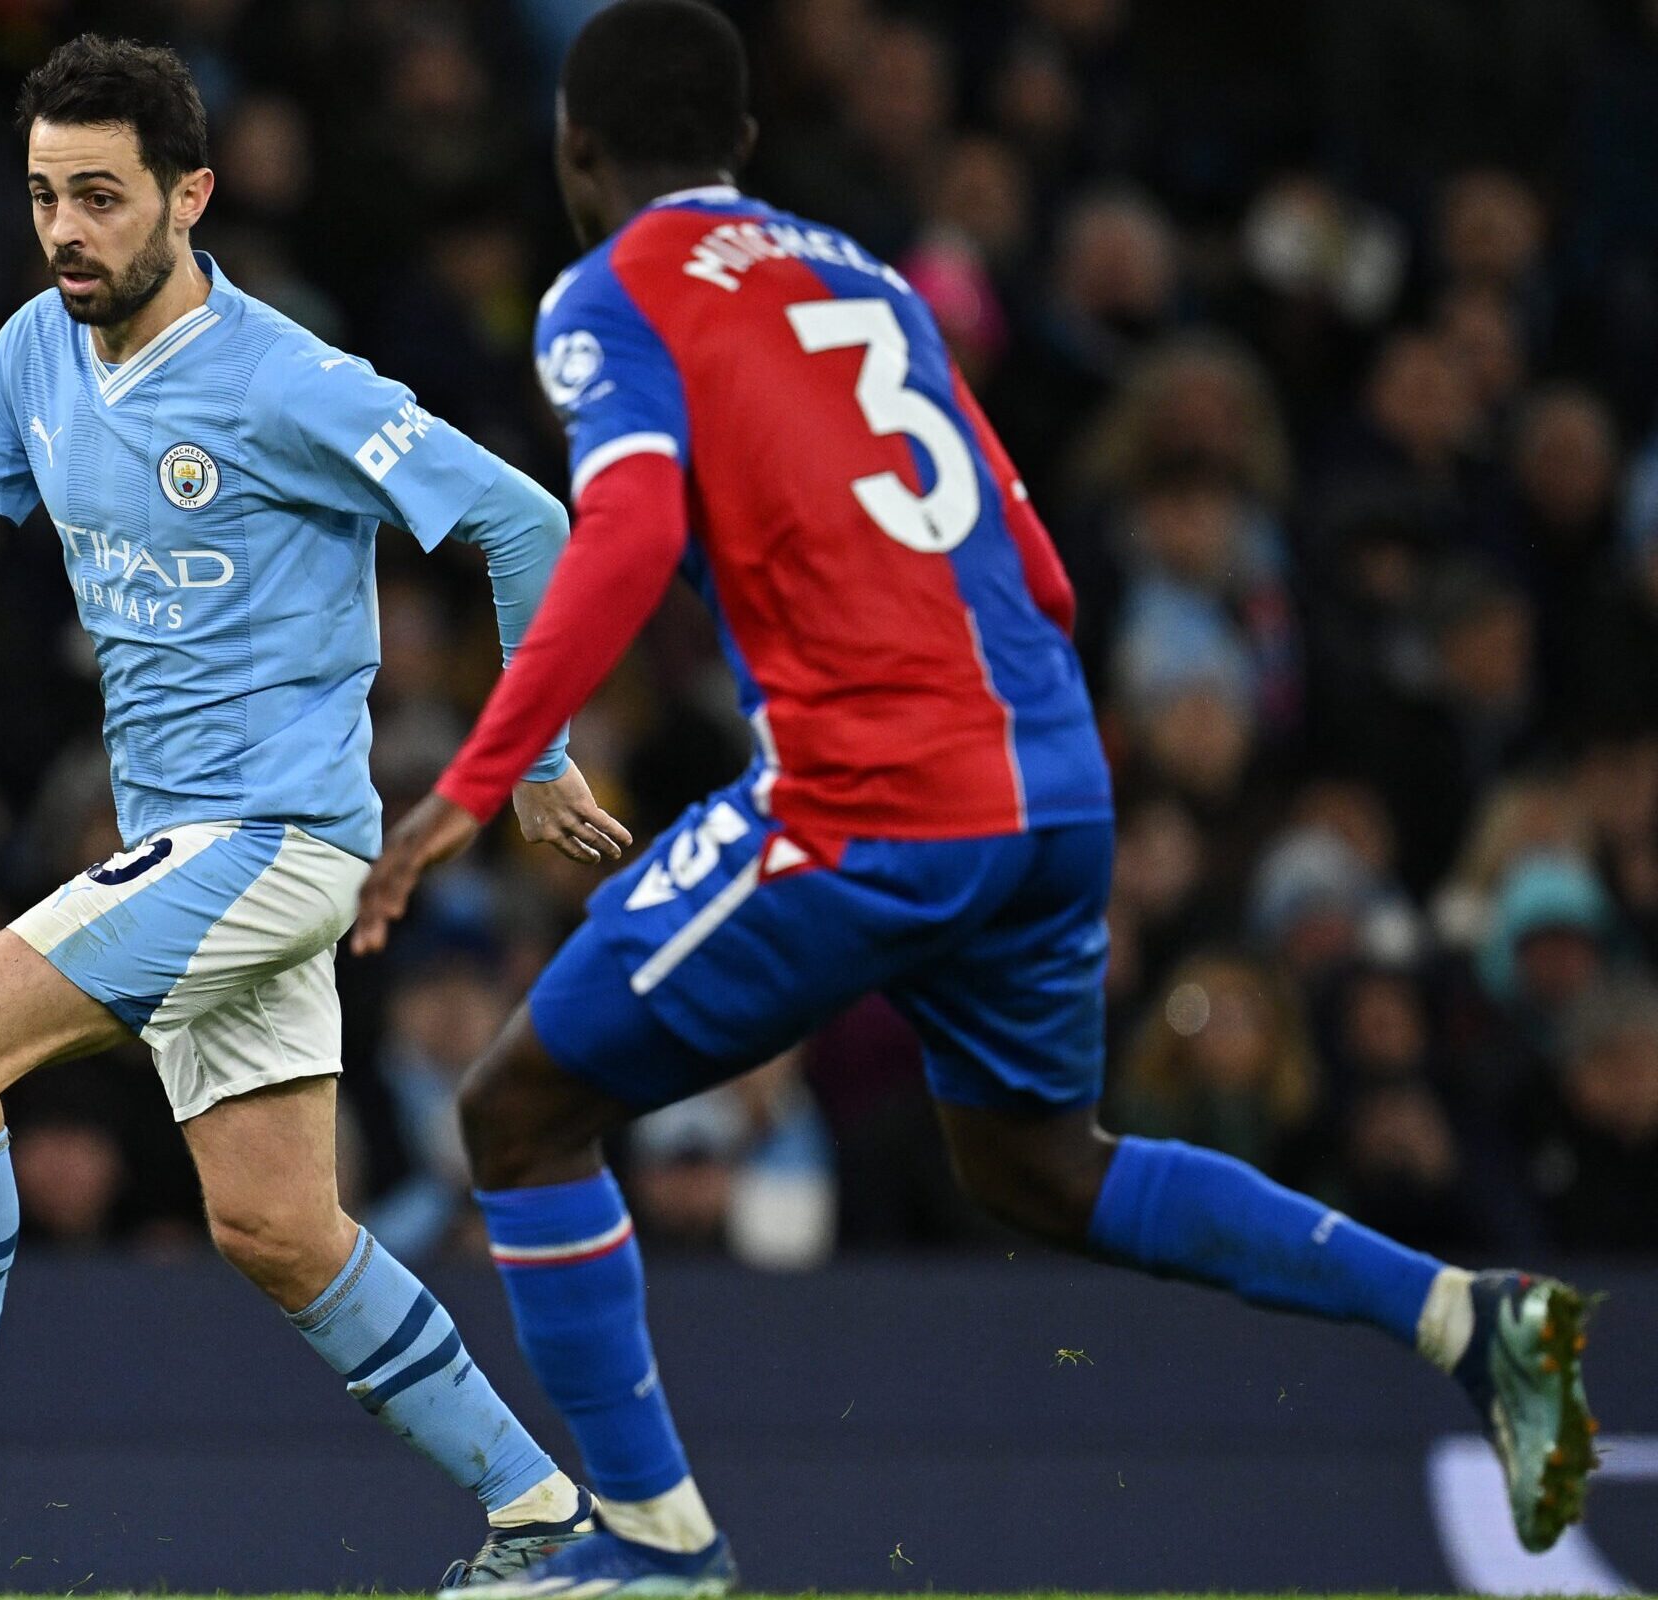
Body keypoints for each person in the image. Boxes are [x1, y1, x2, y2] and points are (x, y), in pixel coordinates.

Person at [351, 3, 1601, 1592]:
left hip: (876, 790)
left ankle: (656, 1545)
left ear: (573, 148)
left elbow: (629, 530)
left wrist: (476, 777)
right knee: (1038, 1167)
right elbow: (1049, 574)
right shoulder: (865, 274)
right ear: (744, 146)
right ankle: (1466, 1318)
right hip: (1049, 770)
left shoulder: (613, 292)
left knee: (517, 1113)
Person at [0, 34, 623, 1584]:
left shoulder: (291, 379)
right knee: (278, 1230)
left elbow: (526, 521)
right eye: (48, 194)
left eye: (103, 198)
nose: (68, 229)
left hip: (276, 843)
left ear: (191, 194)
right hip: (190, 845)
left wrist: (532, 759)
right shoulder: (34, 351)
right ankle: (547, 1522)